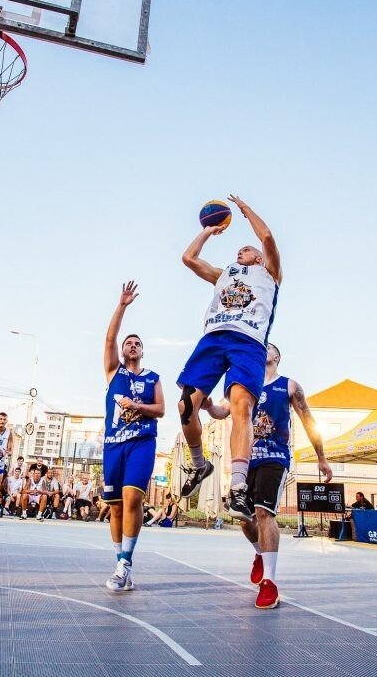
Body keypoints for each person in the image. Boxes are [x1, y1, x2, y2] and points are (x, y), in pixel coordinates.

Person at [174, 194, 281, 523]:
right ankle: (199, 464)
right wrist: (208, 230)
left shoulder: (270, 274)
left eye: (246, 249)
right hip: (214, 338)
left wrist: (245, 209)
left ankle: (237, 487)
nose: (240, 251)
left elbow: (266, 236)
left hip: (249, 341)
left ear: (259, 257)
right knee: (185, 407)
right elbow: (189, 258)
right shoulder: (224, 273)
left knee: (241, 406)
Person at [204, 341, 331, 609]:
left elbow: (308, 421)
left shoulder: (289, 386)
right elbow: (221, 412)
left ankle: (269, 582)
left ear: (277, 357)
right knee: (243, 518)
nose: (264, 350)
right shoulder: (244, 385)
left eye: (269, 347)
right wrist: (207, 405)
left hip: (275, 457)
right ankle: (260, 554)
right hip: (246, 459)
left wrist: (321, 457)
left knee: (264, 513)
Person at [97, 280, 165, 592]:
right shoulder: (114, 372)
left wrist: (137, 406)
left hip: (142, 442)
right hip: (114, 444)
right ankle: (119, 563)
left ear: (142, 350)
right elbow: (109, 337)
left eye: (137, 343)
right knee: (115, 506)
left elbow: (161, 409)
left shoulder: (153, 378)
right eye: (129, 343)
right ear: (123, 351)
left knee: (133, 497)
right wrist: (122, 305)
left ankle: (125, 563)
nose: (132, 345)